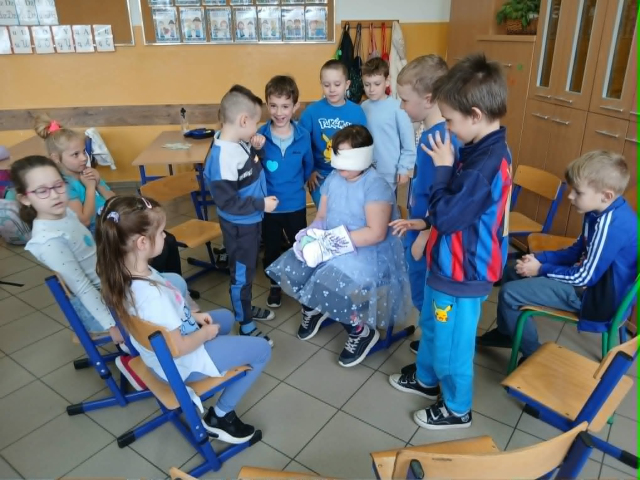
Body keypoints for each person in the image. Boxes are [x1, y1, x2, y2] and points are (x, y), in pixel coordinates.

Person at [388, 53, 512, 429]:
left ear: (474, 115)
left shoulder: (483, 165)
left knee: (453, 345)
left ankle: (457, 407)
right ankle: (427, 379)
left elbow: (449, 214)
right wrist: (424, 221)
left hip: (462, 274)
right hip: (447, 265)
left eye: (450, 120)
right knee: (434, 325)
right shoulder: (479, 149)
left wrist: (443, 170)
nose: (448, 129)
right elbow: (457, 209)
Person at [95, 195, 271, 443]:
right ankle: (220, 417)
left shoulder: (124, 271)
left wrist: (194, 316)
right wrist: (205, 334)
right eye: (161, 232)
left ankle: (220, 362)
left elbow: (163, 319)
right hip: (179, 365)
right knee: (262, 349)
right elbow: (178, 348)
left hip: (159, 354)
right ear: (142, 242)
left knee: (225, 318)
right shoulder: (152, 297)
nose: (166, 236)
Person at [267, 125, 410, 368]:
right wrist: (312, 235)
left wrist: (331, 244)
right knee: (292, 265)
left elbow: (375, 233)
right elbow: (322, 216)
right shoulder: (334, 178)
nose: (339, 163)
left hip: (365, 253)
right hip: (332, 242)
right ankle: (313, 308)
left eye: (347, 157)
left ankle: (360, 330)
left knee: (327, 281)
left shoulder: (375, 186)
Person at [477, 151, 637, 363]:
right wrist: (539, 258)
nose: (570, 196)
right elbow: (576, 251)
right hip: (589, 282)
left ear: (606, 195)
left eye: (578, 192)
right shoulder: (598, 210)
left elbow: (584, 277)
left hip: (597, 298)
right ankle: (507, 332)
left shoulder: (611, 226)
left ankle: (531, 354)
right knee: (512, 269)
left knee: (509, 294)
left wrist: (540, 269)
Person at [33, 114, 191, 292]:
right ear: (56, 158)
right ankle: (155, 286)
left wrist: (99, 183)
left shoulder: (87, 173)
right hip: (102, 237)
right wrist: (90, 188)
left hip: (116, 224)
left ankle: (173, 288)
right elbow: (84, 220)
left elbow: (114, 201)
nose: (83, 158)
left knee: (168, 240)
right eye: (75, 155)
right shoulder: (65, 186)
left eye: (84, 152)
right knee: (153, 248)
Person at [11, 155, 121, 343]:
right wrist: (111, 324)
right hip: (102, 305)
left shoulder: (66, 213)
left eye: (58, 186)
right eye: (42, 191)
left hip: (111, 285)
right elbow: (82, 287)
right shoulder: (48, 241)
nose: (55, 195)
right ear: (25, 198)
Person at [395, 55, 461, 357]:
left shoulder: (440, 139)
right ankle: (432, 344)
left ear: (429, 98)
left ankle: (434, 352)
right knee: (422, 291)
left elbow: (445, 194)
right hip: (420, 227)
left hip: (428, 235)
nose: (401, 107)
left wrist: (424, 235)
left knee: (428, 295)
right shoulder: (432, 133)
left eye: (405, 100)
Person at [204, 85, 277, 345]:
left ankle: (244, 308)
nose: (257, 128)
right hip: (239, 226)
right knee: (242, 275)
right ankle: (245, 323)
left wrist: (256, 150)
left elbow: (251, 171)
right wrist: (261, 204)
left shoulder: (238, 143)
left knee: (247, 271)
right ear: (244, 120)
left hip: (250, 221)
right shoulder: (222, 158)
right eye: (256, 123)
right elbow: (228, 202)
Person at [254, 75, 313, 308]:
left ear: (295, 106)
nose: (279, 112)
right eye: (274, 106)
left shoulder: (303, 136)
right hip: (269, 206)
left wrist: (302, 182)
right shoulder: (259, 136)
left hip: (295, 204)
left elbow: (308, 167)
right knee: (271, 248)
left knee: (299, 247)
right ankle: (275, 284)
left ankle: (300, 281)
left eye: (285, 106)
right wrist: (255, 149)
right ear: (267, 105)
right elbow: (252, 168)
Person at [300, 59, 367, 207]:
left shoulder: (357, 112)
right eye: (326, 85)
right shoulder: (311, 112)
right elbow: (302, 144)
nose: (332, 89)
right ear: (321, 84)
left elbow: (363, 145)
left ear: (347, 85)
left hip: (351, 174)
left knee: (351, 210)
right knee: (328, 212)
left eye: (337, 84)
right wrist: (309, 171)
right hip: (321, 175)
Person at [361, 57, 415, 192]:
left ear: (387, 81)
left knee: (385, 204)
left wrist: (404, 168)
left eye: (377, 84)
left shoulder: (398, 108)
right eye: (367, 84)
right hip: (365, 169)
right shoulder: (363, 107)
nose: (371, 89)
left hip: (389, 171)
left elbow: (408, 143)